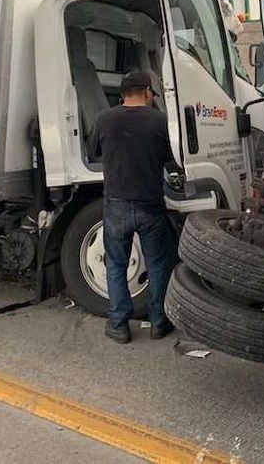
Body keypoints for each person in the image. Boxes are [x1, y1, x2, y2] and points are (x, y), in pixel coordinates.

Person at [88, 71, 176, 344]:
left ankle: (119, 325)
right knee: (158, 262)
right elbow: (172, 160)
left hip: (116, 204)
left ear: (123, 94)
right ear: (147, 92)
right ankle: (158, 322)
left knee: (116, 263)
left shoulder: (105, 119)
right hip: (150, 204)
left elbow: (93, 152)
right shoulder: (161, 121)